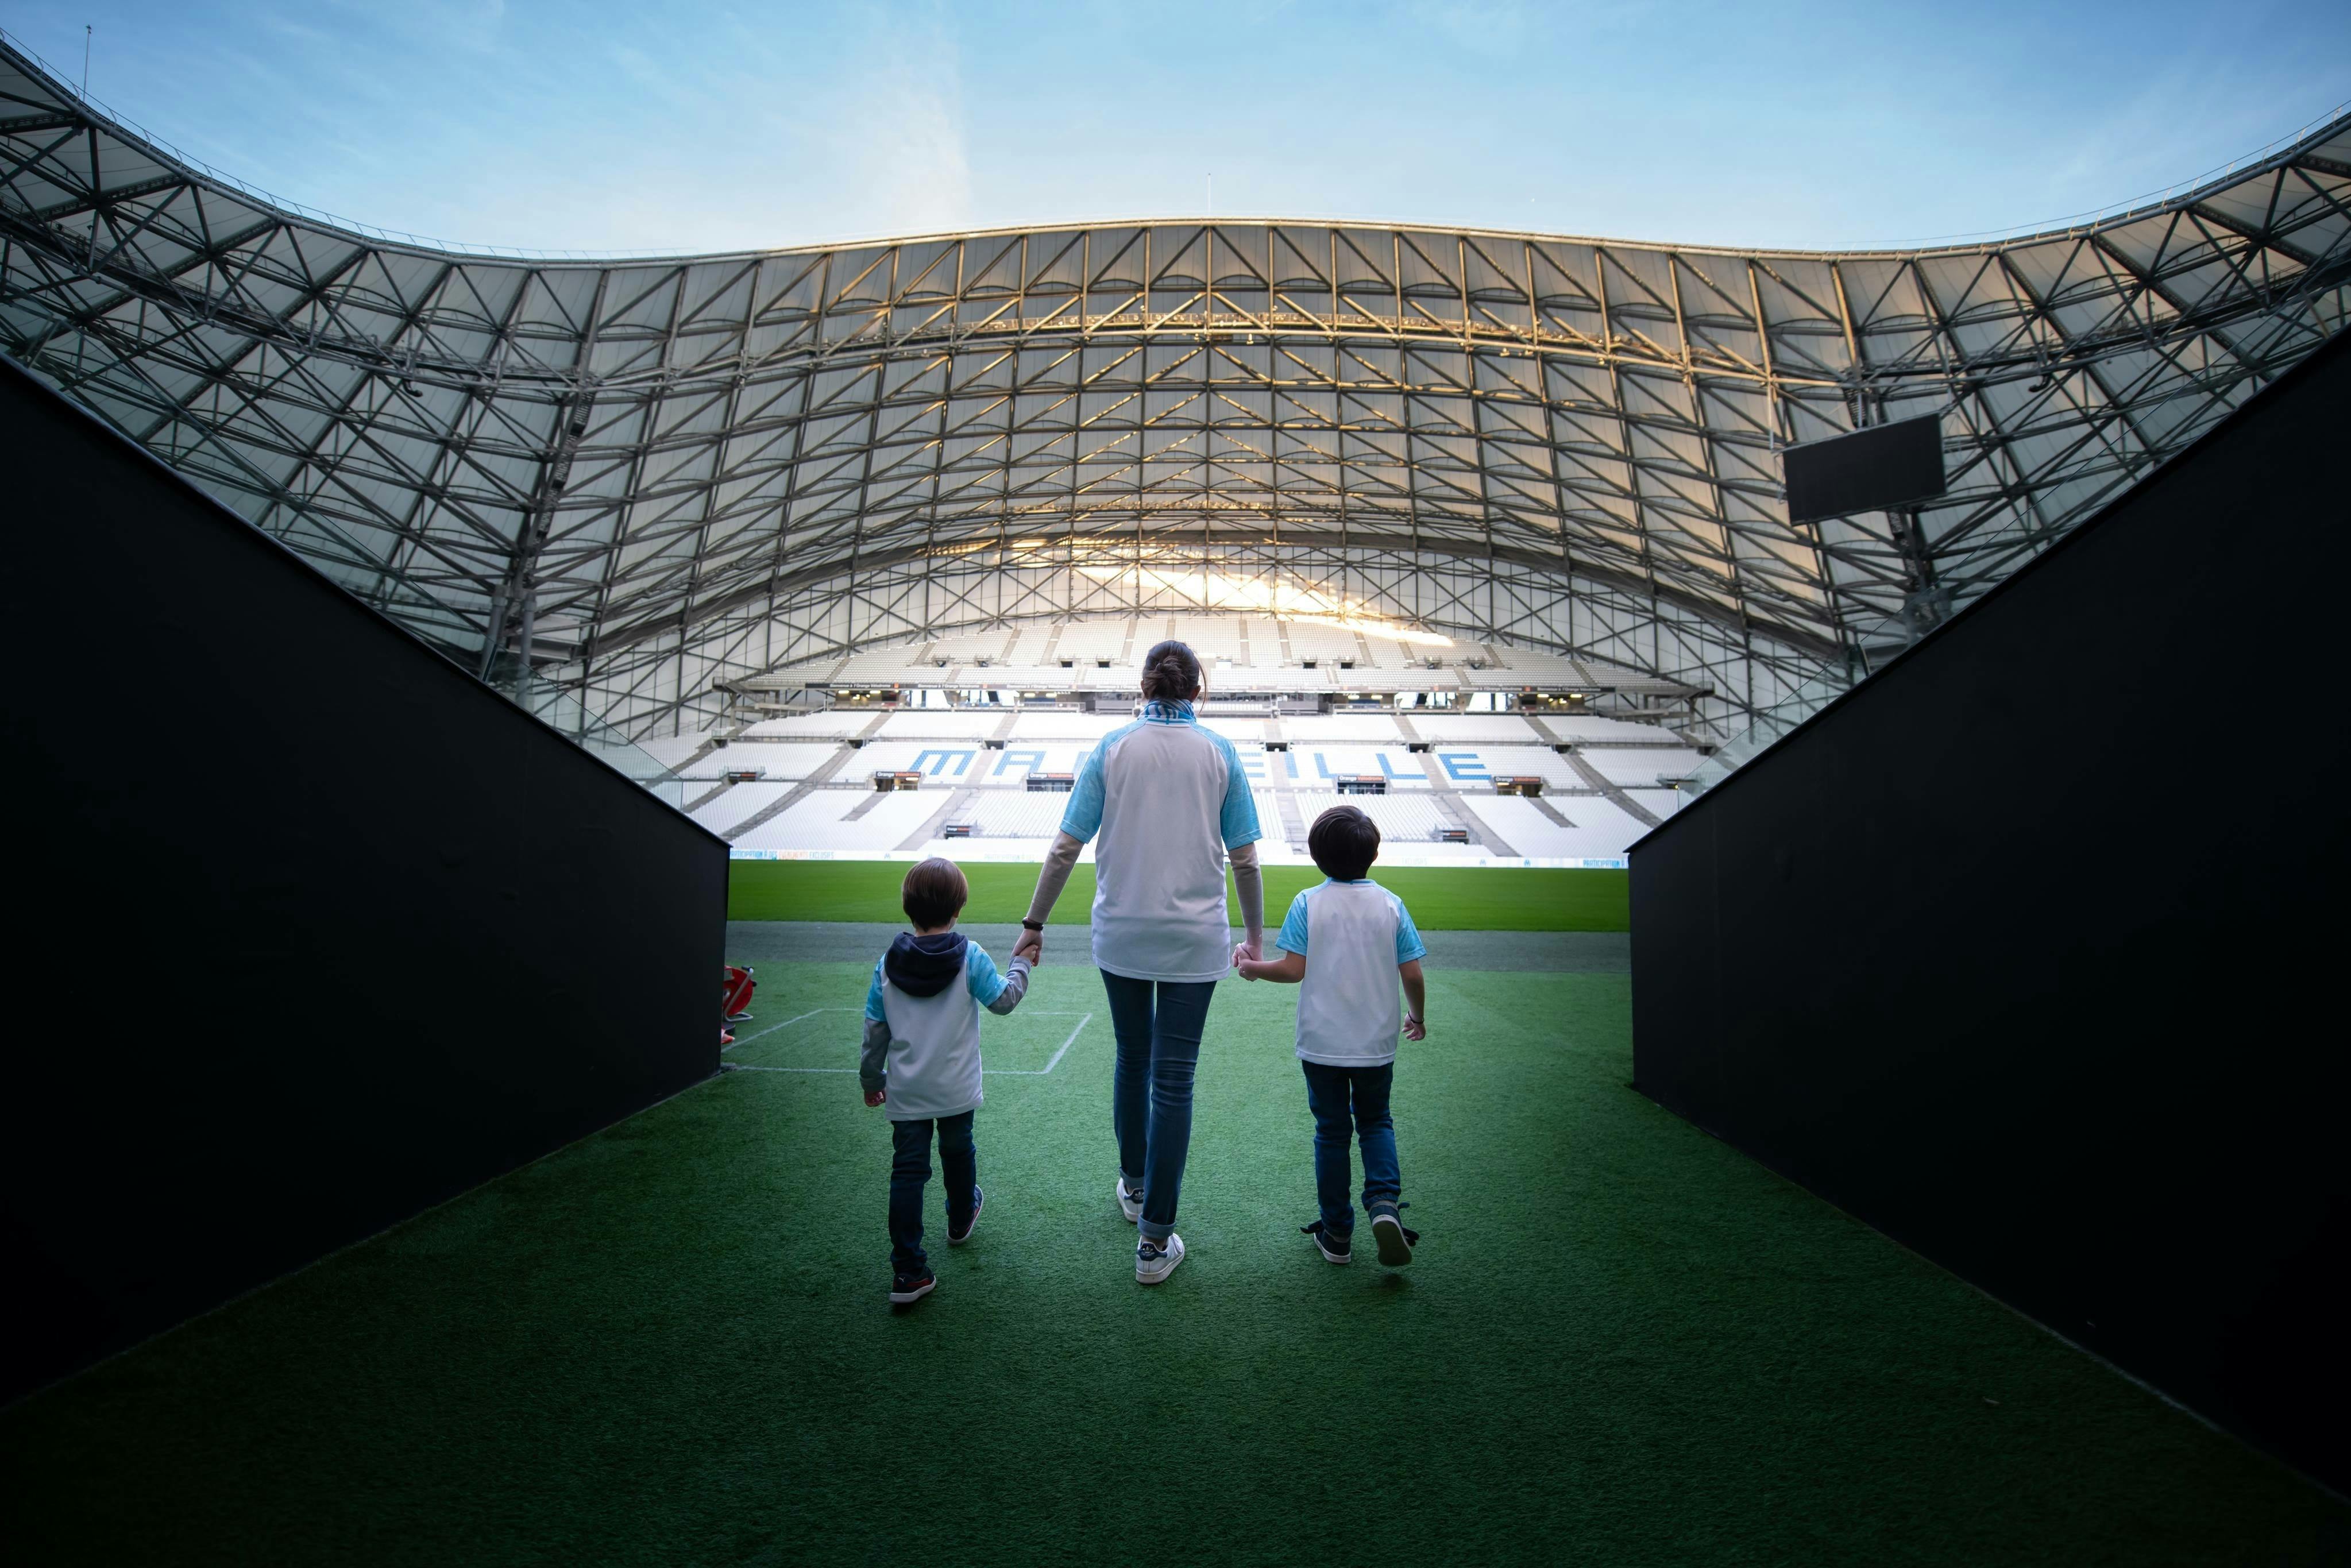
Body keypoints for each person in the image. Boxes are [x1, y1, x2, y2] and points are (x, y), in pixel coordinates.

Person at [1013, 640, 1264, 1285]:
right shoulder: (1220, 752)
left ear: (1146, 685)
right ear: (1197, 690)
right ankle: (1154, 1243)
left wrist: (1033, 925)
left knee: (1132, 1058)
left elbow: (1065, 847)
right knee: (1173, 1079)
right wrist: (1256, 938)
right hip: (1193, 937)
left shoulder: (1111, 748)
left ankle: (1132, 1185)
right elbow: (1245, 859)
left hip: (1122, 933)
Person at [1234, 804, 1428, 1268]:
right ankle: (1384, 1205)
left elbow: (1293, 970)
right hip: (1375, 1044)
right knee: (1376, 1122)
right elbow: (1413, 975)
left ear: (1318, 857)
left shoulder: (1308, 902)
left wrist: (1251, 968)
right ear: (1373, 854)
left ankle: (1337, 1234)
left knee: (1331, 1133)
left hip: (1321, 1044)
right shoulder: (1390, 904)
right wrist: (1417, 1018)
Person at [860, 856, 1033, 1305]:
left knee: (908, 1172)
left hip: (906, 1090)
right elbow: (1004, 1000)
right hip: (955, 1088)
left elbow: (874, 1032)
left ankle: (908, 1272)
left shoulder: (885, 965)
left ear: (908, 908)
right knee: (958, 1151)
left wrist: (870, 1079)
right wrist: (1021, 963)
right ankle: (959, 1219)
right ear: (958, 908)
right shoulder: (970, 955)